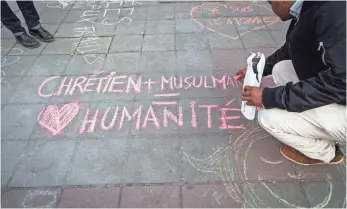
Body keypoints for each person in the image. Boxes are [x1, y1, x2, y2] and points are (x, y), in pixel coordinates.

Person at [235, 1, 346, 165]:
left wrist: (268, 97)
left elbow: (342, 82)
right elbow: (294, 47)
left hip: (342, 95)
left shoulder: (334, 14)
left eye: (271, 1)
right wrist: (260, 68)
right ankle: (314, 124)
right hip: (339, 92)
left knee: (268, 117)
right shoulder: (312, 6)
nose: (272, 7)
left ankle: (326, 152)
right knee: (281, 68)